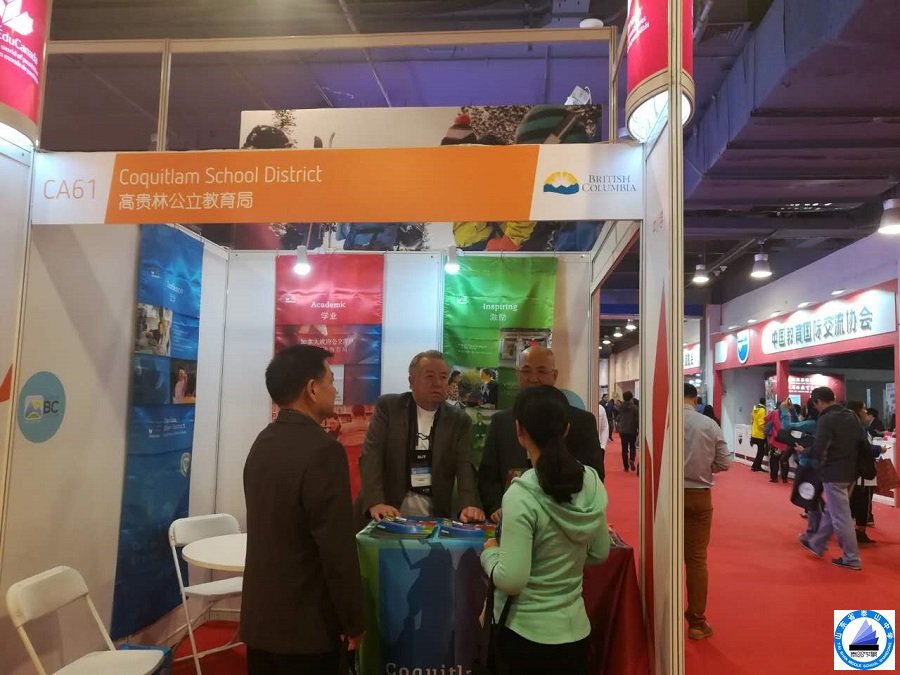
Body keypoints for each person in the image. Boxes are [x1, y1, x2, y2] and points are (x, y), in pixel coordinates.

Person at [241, 345, 364, 674]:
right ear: (312, 389)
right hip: (307, 629)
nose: (335, 390)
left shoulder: (262, 442)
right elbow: (336, 549)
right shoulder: (324, 452)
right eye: (331, 381)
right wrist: (354, 619)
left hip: (261, 621)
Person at [481, 385, 610, 675]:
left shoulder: (521, 494)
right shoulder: (590, 481)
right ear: (567, 429)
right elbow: (600, 552)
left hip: (525, 636)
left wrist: (490, 554)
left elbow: (511, 579)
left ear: (519, 431)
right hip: (576, 632)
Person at [478, 346, 605, 523]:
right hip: (511, 517)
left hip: (565, 520)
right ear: (517, 375)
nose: (533, 378)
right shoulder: (501, 421)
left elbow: (594, 476)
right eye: (526, 371)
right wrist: (495, 507)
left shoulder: (582, 421)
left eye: (542, 371)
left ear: (555, 375)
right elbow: (488, 475)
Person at [358, 350, 484, 522]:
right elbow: (371, 454)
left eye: (443, 377)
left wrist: (468, 504)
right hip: (387, 511)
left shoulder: (458, 420)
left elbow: (465, 464)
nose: (438, 383)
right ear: (411, 381)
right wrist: (376, 502)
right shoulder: (389, 407)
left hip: (434, 515)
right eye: (430, 376)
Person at [797, 387, 866, 571]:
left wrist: (804, 451)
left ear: (818, 401)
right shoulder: (851, 415)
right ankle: (817, 544)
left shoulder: (826, 419)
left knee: (841, 517)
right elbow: (861, 442)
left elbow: (819, 448)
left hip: (833, 472)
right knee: (832, 511)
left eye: (815, 404)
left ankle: (851, 558)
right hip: (851, 472)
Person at [682, 383, 731, 640]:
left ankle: (657, 616)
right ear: (695, 398)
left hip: (667, 497)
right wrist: (706, 466)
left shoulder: (663, 422)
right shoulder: (709, 424)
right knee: (696, 560)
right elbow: (725, 462)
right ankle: (697, 623)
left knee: (662, 555)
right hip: (699, 496)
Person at [847, 401, 884, 544]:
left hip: (854, 471)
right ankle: (858, 533)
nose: (865, 412)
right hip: (861, 472)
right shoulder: (857, 428)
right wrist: (878, 449)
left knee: (854, 502)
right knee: (862, 502)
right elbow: (865, 448)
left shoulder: (853, 427)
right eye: (863, 409)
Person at [618, 391, 639, 472]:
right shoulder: (635, 408)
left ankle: (626, 467)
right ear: (631, 398)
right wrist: (638, 429)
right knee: (632, 446)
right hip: (632, 430)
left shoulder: (621, 407)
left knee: (624, 449)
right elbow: (637, 419)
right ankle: (632, 459)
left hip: (623, 430)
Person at [749, 398, 768, 472]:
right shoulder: (763, 410)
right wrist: (766, 430)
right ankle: (757, 466)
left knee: (760, 451)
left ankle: (755, 466)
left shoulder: (755, 408)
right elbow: (761, 423)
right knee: (761, 452)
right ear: (765, 403)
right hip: (760, 434)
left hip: (754, 432)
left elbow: (752, 420)